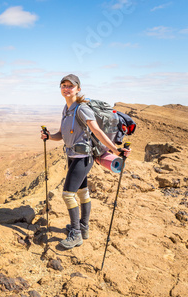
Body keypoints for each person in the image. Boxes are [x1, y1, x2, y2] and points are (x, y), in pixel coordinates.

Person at [40, 74, 130, 249]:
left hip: (83, 158)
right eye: (63, 85)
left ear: (78, 89)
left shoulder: (82, 109)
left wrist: (115, 150)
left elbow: (97, 131)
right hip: (72, 156)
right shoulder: (66, 109)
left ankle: (76, 234)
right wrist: (49, 136)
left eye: (70, 86)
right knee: (82, 192)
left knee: (67, 194)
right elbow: (62, 135)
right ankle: (83, 227)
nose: (66, 89)